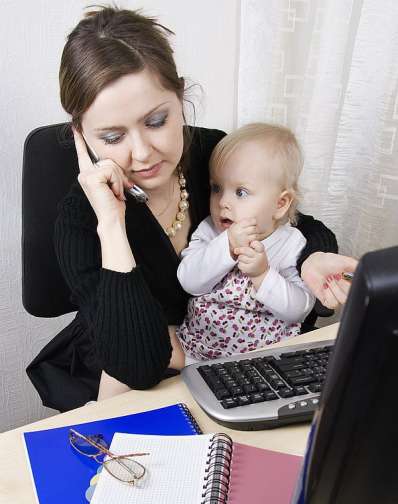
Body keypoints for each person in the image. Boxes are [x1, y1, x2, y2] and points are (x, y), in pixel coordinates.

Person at [26, 5, 355, 411]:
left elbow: (294, 221)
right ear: (81, 137)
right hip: (133, 372)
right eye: (112, 137)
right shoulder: (80, 219)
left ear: (180, 98)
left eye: (157, 121)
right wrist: (111, 225)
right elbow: (138, 365)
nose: (143, 153)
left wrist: (311, 259)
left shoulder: (212, 156)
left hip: (227, 364)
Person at [172, 123, 315, 365]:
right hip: (198, 352)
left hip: (263, 359)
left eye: (241, 192)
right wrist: (225, 245)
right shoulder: (210, 230)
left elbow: (300, 309)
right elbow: (189, 281)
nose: (223, 202)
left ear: (280, 204)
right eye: (217, 188)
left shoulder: (290, 243)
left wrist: (263, 275)